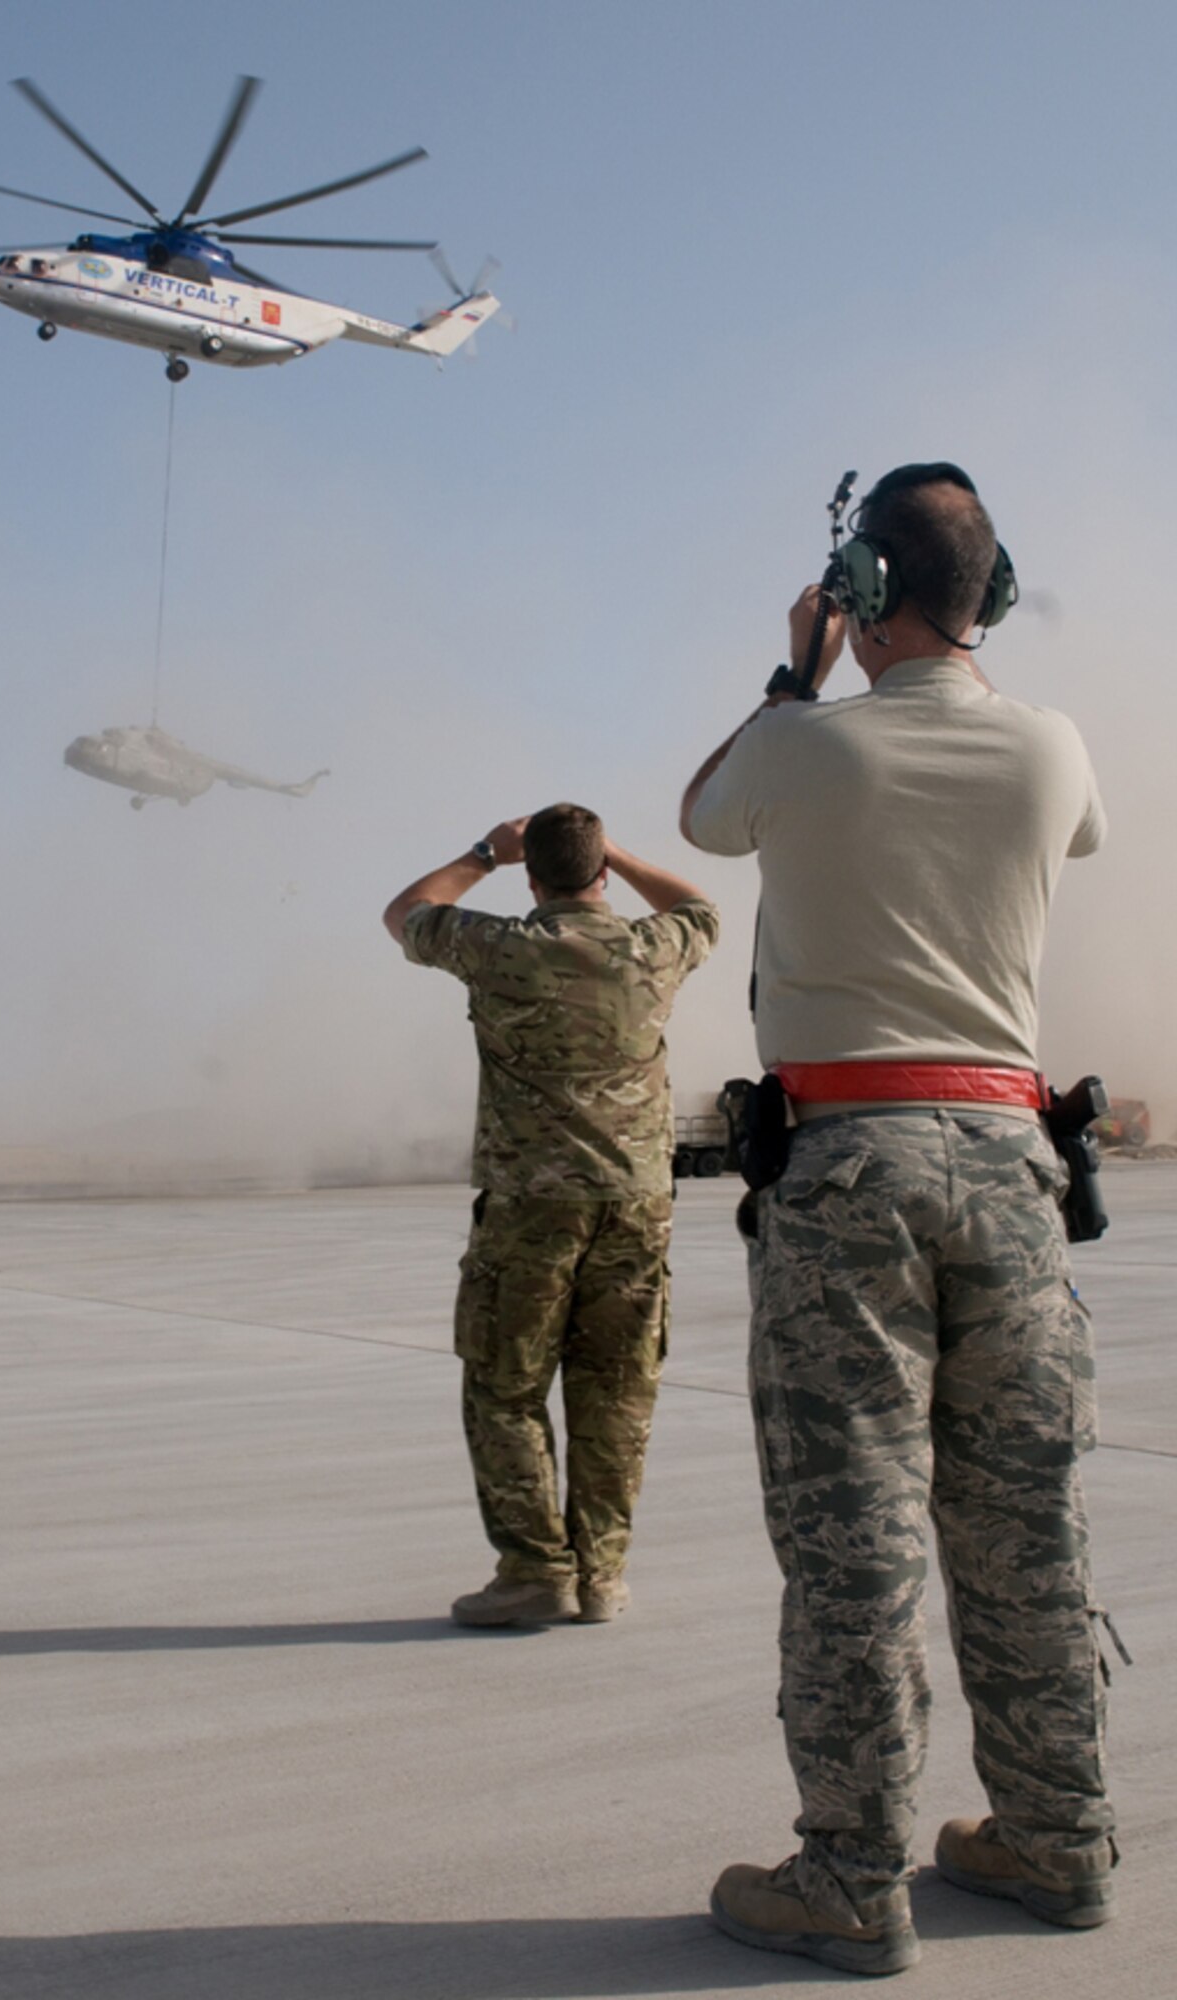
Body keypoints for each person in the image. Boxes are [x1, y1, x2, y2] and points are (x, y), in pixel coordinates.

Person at [680, 464, 1117, 1976]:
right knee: (1025, 1528)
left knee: (856, 1540)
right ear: (991, 594)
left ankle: (852, 1877)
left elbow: (703, 813)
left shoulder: (801, 749)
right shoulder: (1054, 751)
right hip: (1012, 1166)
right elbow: (1078, 843)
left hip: (851, 1166)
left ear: (864, 596)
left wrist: (793, 673)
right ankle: (1058, 1840)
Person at [383, 804, 718, 1626]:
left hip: (532, 1205)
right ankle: (602, 1575)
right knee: (617, 1390)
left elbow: (404, 914)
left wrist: (481, 855)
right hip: (636, 1205)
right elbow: (700, 909)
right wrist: (621, 856)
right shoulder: (650, 948)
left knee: (505, 1388)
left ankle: (535, 1571)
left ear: (531, 875)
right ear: (600, 871)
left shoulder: (502, 948)